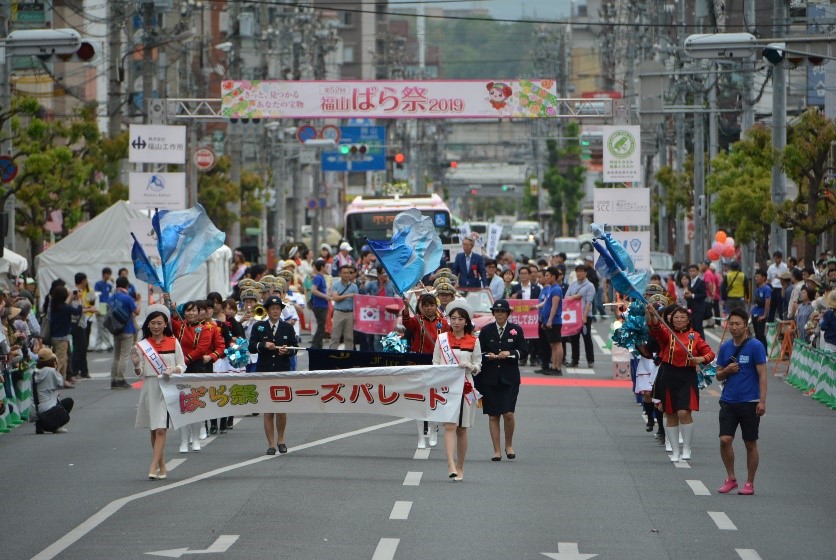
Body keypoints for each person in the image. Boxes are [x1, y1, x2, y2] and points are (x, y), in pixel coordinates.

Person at [646, 304, 715, 463]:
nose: (679, 320)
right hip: (668, 374)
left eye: (682, 317)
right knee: (670, 413)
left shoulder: (695, 336)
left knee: (684, 412)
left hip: (687, 376)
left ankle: (687, 448)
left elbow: (710, 353)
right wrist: (651, 314)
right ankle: (675, 450)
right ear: (671, 319)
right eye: (676, 317)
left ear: (688, 319)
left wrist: (701, 359)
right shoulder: (667, 334)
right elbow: (655, 329)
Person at [715, 308, 767, 495]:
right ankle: (731, 478)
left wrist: (762, 401)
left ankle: (749, 483)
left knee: (750, 442)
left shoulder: (755, 346)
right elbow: (718, 376)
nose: (734, 327)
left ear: (746, 325)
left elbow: (762, 375)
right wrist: (727, 370)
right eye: (732, 324)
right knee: (724, 440)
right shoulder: (726, 347)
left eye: (738, 324)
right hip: (728, 400)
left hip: (750, 401)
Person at [132, 305, 186, 480]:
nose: (156, 326)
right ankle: (162, 464)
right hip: (150, 387)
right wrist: (135, 364)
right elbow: (139, 373)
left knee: (161, 428)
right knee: (154, 429)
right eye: (153, 323)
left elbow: (182, 365)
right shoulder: (142, 346)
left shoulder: (173, 342)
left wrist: (174, 370)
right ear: (148, 325)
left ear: (165, 324)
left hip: (167, 387)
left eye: (159, 323)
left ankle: (152, 465)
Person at [433, 300, 481, 482]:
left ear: (466, 321)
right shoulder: (442, 339)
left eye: (460, 319)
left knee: (462, 428)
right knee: (450, 426)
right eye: (453, 318)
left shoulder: (474, 341)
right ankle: (451, 464)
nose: (457, 322)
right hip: (446, 387)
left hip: (466, 386)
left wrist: (471, 367)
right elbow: (435, 363)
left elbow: (478, 365)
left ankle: (460, 465)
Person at [477, 299, 528, 461]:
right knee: (493, 415)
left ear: (508, 314)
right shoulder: (486, 330)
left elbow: (524, 351)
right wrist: (488, 356)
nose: (499, 314)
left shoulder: (516, 330)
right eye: (497, 311)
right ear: (493, 313)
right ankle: (497, 450)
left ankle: (509, 445)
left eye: (503, 312)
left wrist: (510, 353)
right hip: (489, 377)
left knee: (508, 413)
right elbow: (478, 352)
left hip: (509, 377)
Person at [248, 296, 298, 455]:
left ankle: (281, 439)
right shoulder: (259, 326)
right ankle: (270, 444)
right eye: (272, 308)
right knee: (268, 410)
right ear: (268, 310)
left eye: (278, 308)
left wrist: (287, 350)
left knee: (281, 409)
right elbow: (251, 347)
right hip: (265, 371)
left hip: (282, 371)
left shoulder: (287, 328)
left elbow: (295, 348)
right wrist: (264, 345)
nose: (275, 311)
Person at [402, 292, 450, 449]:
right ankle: (421, 437)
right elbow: (407, 323)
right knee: (419, 399)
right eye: (425, 306)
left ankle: (434, 429)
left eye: (432, 305)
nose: (429, 308)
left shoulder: (443, 323)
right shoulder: (417, 321)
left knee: (434, 397)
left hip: (437, 363)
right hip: (419, 362)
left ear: (436, 306)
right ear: (420, 307)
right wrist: (405, 305)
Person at [48, 286, 84, 387]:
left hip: (55, 337)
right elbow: (78, 311)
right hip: (62, 338)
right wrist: (80, 298)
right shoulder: (64, 308)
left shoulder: (54, 306)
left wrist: (71, 297)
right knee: (60, 361)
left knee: (64, 359)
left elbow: (65, 305)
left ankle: (62, 380)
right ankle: (54, 382)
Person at [32, 347, 74, 434]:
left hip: (38, 412)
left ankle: (40, 425)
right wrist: (57, 367)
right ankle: (55, 426)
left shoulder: (35, 372)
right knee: (69, 402)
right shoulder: (51, 371)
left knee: (60, 401)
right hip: (49, 410)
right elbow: (60, 383)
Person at [110, 277, 140, 389]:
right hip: (127, 329)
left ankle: (113, 380)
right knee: (124, 356)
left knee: (116, 356)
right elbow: (136, 312)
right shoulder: (127, 298)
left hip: (115, 329)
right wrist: (139, 301)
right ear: (126, 286)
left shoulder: (112, 297)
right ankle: (120, 379)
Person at [564, 263, 596, 368]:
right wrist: (575, 297)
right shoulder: (573, 284)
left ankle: (590, 360)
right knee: (574, 338)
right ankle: (574, 360)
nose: (579, 273)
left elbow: (588, 301)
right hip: (574, 315)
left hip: (585, 315)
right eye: (577, 271)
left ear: (585, 273)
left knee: (587, 338)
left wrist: (585, 316)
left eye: (581, 271)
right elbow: (566, 297)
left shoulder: (590, 286)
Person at [536, 267, 563, 375]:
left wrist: (550, 320)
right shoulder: (550, 288)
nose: (546, 277)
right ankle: (553, 366)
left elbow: (554, 306)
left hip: (554, 321)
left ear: (553, 276)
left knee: (557, 344)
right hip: (547, 320)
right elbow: (546, 303)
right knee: (553, 345)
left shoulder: (556, 289)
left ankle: (557, 368)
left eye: (547, 275)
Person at [71, 272, 95, 380]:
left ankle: (82, 370)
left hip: (83, 322)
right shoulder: (75, 292)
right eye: (85, 280)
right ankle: (78, 370)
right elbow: (77, 309)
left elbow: (92, 301)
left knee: (82, 347)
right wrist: (88, 309)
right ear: (83, 281)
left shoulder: (88, 291)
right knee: (79, 347)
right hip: (77, 323)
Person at [329, 264, 358, 350]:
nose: (346, 275)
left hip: (350, 313)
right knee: (335, 336)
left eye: (348, 273)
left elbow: (356, 302)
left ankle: (349, 356)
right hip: (338, 312)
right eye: (344, 273)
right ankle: (331, 354)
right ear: (340, 274)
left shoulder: (354, 286)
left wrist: (356, 315)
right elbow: (335, 298)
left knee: (349, 337)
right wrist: (348, 295)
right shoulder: (336, 285)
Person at [309, 259, 330, 349]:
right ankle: (315, 344)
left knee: (321, 325)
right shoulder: (318, 277)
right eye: (326, 266)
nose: (327, 268)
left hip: (322, 305)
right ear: (322, 267)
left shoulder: (322, 277)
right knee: (321, 326)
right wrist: (325, 296)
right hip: (319, 305)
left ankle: (319, 344)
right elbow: (313, 290)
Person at [93, 267, 115, 351]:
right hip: (101, 305)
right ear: (104, 274)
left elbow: (113, 292)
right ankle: (108, 344)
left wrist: (113, 283)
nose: (109, 276)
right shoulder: (98, 284)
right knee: (102, 326)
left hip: (106, 306)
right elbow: (96, 297)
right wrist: (97, 308)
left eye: (110, 274)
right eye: (107, 274)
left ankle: (97, 346)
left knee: (101, 327)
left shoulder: (109, 285)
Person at [684, 264, 707, 340]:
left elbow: (704, 295)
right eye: (690, 271)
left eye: (694, 271)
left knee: (698, 326)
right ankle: (693, 341)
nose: (692, 273)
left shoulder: (701, 282)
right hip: (690, 307)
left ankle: (702, 342)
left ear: (697, 272)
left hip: (699, 308)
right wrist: (686, 296)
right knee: (691, 326)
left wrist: (693, 295)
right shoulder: (689, 282)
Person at [751, 270, 771, 351]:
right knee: (756, 335)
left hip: (761, 315)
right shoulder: (757, 289)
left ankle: (764, 352)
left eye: (758, 277)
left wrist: (764, 315)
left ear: (764, 278)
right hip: (754, 314)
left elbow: (768, 302)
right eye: (755, 277)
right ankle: (758, 351)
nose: (756, 278)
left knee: (760, 335)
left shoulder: (767, 288)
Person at [766, 251, 787, 322]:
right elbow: (768, 279)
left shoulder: (785, 267)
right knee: (772, 307)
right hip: (773, 288)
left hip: (781, 288)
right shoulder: (771, 267)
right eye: (775, 259)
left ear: (781, 258)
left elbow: (787, 278)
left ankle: (781, 323)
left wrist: (780, 277)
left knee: (781, 307)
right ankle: (770, 323)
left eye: (778, 258)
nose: (776, 260)